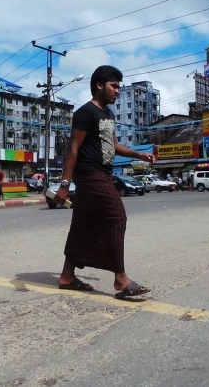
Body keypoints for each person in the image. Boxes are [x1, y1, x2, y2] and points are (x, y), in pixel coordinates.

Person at [54, 65, 155, 299]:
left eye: (119, 86)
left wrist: (139, 154)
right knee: (116, 216)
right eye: (114, 86)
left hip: (103, 172)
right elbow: (73, 147)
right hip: (90, 174)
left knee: (83, 225)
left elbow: (112, 146)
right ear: (100, 85)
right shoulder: (85, 113)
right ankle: (120, 278)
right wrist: (64, 183)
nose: (117, 90)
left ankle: (67, 276)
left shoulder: (108, 115)